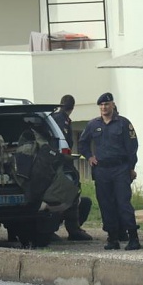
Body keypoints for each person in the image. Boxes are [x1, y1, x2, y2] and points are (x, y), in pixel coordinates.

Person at [77, 92, 141, 250]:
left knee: (123, 203)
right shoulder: (93, 124)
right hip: (102, 170)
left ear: (113, 105)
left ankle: (133, 237)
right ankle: (112, 238)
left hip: (120, 169)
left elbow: (132, 147)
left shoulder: (123, 123)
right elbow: (82, 143)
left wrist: (131, 168)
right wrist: (89, 157)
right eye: (101, 105)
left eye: (107, 104)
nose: (104, 107)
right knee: (106, 205)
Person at [50, 94, 93, 241]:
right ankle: (73, 230)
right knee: (71, 192)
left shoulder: (50, 118)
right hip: (60, 165)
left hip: (50, 165)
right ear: (72, 108)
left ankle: (53, 230)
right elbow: (64, 145)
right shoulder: (62, 121)